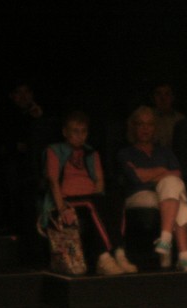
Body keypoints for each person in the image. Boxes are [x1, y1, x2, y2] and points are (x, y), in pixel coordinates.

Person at [40, 111, 136, 275]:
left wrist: (99, 199)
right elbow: (53, 181)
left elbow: (99, 180)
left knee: (116, 200)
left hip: (91, 198)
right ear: (65, 132)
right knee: (92, 204)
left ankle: (119, 253)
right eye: (75, 131)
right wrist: (62, 209)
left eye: (83, 131)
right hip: (67, 199)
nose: (80, 136)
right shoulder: (54, 151)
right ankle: (104, 257)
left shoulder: (91, 153)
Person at [117, 106, 187, 271]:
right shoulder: (125, 153)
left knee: (172, 184)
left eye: (150, 124)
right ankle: (183, 255)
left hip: (165, 195)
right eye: (140, 124)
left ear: (155, 128)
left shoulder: (164, 152)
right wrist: (162, 170)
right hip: (140, 194)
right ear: (133, 127)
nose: (145, 129)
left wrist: (149, 174)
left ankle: (166, 240)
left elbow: (177, 174)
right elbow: (136, 178)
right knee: (176, 196)